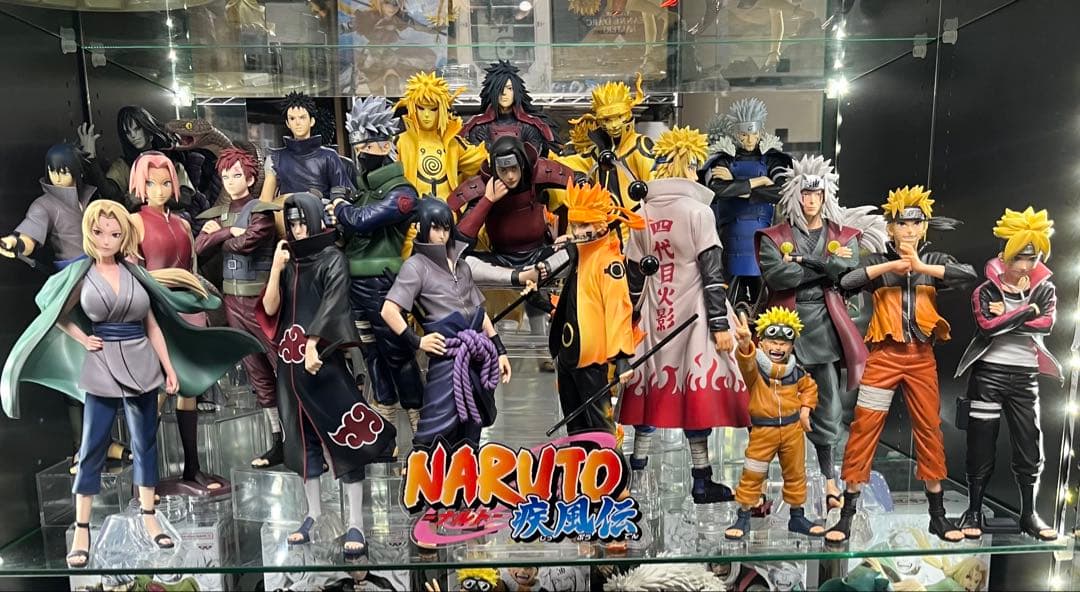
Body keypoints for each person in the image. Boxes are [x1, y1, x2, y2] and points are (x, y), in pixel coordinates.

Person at [0, 200, 261, 568]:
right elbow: (56, 313)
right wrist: (83, 339)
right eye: (99, 232)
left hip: (142, 362)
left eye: (114, 233)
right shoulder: (82, 275)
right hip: (102, 363)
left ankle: (150, 515)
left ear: (124, 236)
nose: (106, 239)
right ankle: (82, 528)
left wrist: (169, 369)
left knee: (145, 443)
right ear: (90, 233)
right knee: (92, 445)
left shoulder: (134, 274)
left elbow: (153, 325)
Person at [827, 186, 977, 544]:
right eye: (902, 223)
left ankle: (937, 515)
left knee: (929, 429)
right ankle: (846, 515)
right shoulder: (879, 261)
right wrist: (890, 266)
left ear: (924, 227)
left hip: (921, 358)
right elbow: (846, 280)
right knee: (864, 429)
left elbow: (967, 275)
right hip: (884, 357)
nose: (909, 230)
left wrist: (921, 267)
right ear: (890, 227)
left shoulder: (934, 259)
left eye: (916, 223)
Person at [257, 192, 397, 559]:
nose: (298, 228)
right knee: (300, 442)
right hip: (289, 366)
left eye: (302, 220)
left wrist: (314, 344)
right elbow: (270, 308)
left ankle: (356, 522)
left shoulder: (333, 258)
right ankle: (313, 514)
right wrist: (275, 269)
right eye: (292, 222)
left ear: (316, 218)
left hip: (323, 361)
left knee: (346, 437)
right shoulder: (289, 261)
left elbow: (334, 304)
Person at [621, 127, 748, 504]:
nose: (698, 173)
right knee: (695, 397)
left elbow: (632, 276)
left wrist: (628, 322)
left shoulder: (641, 212)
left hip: (653, 315)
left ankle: (636, 474)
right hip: (695, 315)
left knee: (650, 388)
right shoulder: (698, 212)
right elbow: (712, 271)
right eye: (695, 166)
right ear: (686, 165)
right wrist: (720, 323)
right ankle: (701, 479)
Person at [755, 154, 879, 510]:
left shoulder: (843, 235)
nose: (811, 201)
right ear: (796, 196)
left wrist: (807, 265)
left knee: (828, 408)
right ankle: (761, 486)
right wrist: (823, 268)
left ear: (826, 196)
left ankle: (828, 479)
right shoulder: (775, 236)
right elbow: (777, 276)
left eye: (817, 194)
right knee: (770, 407)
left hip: (825, 323)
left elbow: (846, 271)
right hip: (784, 323)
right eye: (806, 194)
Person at [954, 207, 1060, 541]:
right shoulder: (985, 291)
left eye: (1032, 258)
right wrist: (1028, 312)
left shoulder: (1044, 290)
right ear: (1004, 257)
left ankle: (1029, 514)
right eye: (1019, 258)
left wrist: (1014, 314)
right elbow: (987, 327)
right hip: (988, 375)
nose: (1025, 266)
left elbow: (1047, 324)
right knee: (980, 443)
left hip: (1025, 377)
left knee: (1029, 444)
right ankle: (974, 509)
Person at [381, 197, 511, 448]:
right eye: (435, 228)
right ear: (424, 227)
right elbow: (389, 310)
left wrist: (500, 349)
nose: (441, 235)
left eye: (446, 228)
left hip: (475, 352)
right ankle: (425, 466)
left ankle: (467, 467)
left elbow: (479, 311)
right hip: (447, 354)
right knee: (436, 423)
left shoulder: (461, 266)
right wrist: (417, 341)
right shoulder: (416, 266)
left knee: (474, 420)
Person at [330, 96, 424, 438]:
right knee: (370, 351)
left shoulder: (401, 192)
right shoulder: (363, 190)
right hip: (355, 283)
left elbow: (361, 220)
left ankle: (418, 417)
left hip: (384, 284)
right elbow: (349, 226)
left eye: (367, 145)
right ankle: (385, 416)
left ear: (385, 145)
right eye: (359, 146)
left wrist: (340, 208)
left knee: (397, 352)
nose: (362, 153)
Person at [449, 135, 575, 366]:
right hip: (501, 263)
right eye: (503, 170)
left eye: (513, 169)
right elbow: (460, 242)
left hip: (541, 258)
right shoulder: (485, 187)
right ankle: (521, 278)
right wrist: (488, 200)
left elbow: (579, 182)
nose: (509, 176)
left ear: (523, 165)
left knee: (576, 250)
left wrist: (570, 232)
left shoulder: (538, 175)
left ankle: (536, 277)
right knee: (459, 263)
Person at [195, 147, 284, 469]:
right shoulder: (219, 215)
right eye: (225, 176)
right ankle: (278, 440)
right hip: (233, 302)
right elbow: (198, 249)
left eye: (237, 175)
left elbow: (248, 243)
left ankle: (302, 439)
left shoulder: (260, 211)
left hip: (262, 301)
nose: (231, 181)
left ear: (250, 178)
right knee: (257, 374)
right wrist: (225, 232)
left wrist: (221, 238)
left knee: (283, 367)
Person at [549, 181, 641, 435]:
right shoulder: (579, 254)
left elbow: (618, 310)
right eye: (574, 225)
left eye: (584, 225)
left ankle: (609, 459)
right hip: (568, 354)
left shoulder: (609, 263)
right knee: (575, 426)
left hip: (591, 358)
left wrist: (621, 358)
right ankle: (579, 458)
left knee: (600, 425)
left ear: (601, 226)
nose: (578, 231)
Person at [725, 307, 823, 540]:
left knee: (796, 474)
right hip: (764, 431)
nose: (778, 347)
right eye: (772, 342)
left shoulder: (796, 372)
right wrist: (745, 345)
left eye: (784, 343)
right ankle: (743, 516)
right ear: (763, 342)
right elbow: (746, 364)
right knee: (752, 473)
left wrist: (805, 411)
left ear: (791, 346)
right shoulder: (757, 372)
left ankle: (797, 517)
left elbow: (810, 388)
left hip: (792, 430)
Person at [700, 98, 792, 314]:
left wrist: (737, 185)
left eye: (753, 134)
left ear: (760, 132)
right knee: (729, 297)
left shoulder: (772, 159)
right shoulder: (723, 158)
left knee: (764, 299)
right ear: (735, 133)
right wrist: (760, 181)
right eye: (743, 135)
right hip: (729, 236)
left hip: (762, 238)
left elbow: (781, 190)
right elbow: (717, 190)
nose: (749, 140)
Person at [1, 145, 109, 270]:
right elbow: (30, 237)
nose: (57, 178)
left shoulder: (91, 196)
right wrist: (16, 243)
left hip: (104, 261)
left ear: (77, 171)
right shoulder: (44, 205)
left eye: (64, 172)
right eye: (52, 171)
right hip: (73, 268)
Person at [259, 92, 354, 204]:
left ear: (312, 121)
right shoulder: (276, 158)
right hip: (287, 212)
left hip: (322, 211)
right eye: (292, 118)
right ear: (288, 123)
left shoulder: (329, 156)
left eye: (302, 117)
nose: (297, 123)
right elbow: (265, 202)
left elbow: (343, 195)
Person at [461, 60, 559, 156]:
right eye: (499, 88)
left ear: (516, 92)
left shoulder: (529, 127)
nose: (504, 93)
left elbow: (532, 157)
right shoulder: (479, 128)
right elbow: (477, 159)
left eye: (509, 88)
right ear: (491, 92)